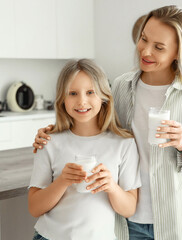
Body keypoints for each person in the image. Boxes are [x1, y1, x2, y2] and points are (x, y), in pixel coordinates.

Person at [33, 5, 182, 240]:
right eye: (143, 39)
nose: (146, 51)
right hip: (129, 220)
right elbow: (90, 122)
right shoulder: (121, 87)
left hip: (178, 217)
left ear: (179, 51)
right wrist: (53, 132)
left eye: (159, 47)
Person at [28, 59, 141, 240]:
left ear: (104, 96)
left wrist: (111, 186)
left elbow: (129, 209)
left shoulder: (123, 144)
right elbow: (34, 207)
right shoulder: (49, 142)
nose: (82, 101)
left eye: (90, 92)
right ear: (62, 99)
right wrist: (62, 181)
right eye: (72, 93)